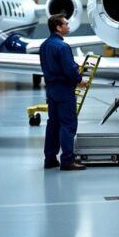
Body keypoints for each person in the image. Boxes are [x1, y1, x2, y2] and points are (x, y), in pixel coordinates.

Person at [39, 14, 86, 171]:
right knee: (68, 124)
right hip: (64, 90)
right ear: (58, 27)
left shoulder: (44, 45)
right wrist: (80, 79)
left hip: (51, 89)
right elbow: (69, 69)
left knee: (53, 124)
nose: (68, 25)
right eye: (66, 23)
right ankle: (67, 160)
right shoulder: (62, 47)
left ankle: (50, 159)